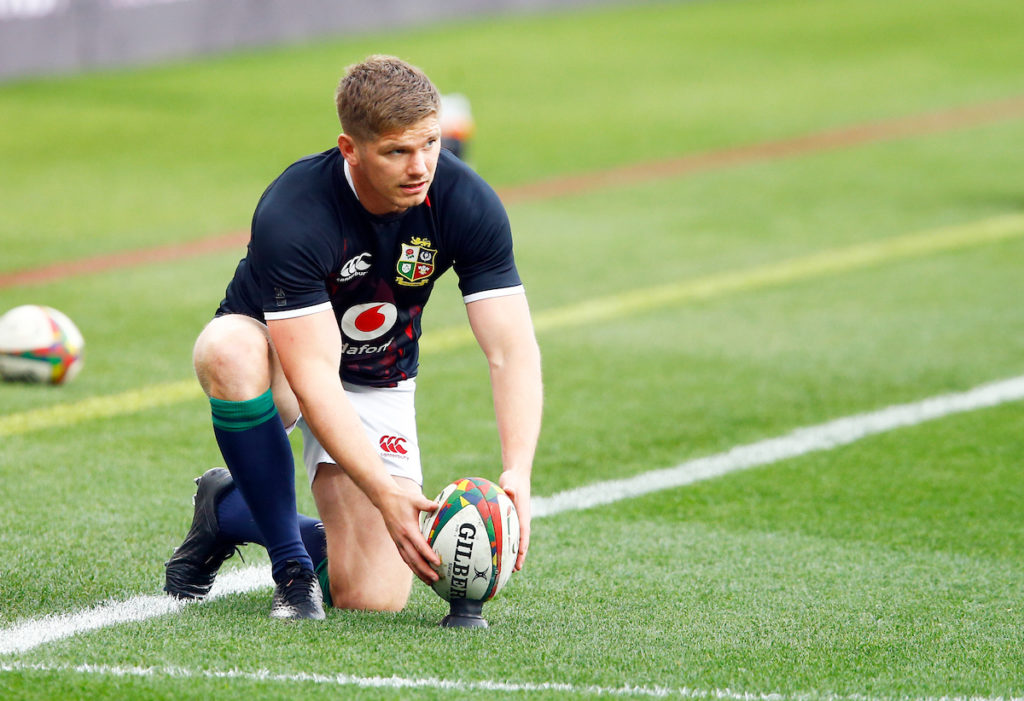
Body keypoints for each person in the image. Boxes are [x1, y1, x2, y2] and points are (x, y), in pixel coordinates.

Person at [162, 55, 542, 620]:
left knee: (372, 598)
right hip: (283, 361)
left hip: (376, 374)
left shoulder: (466, 201)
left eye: (431, 144)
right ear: (350, 149)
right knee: (227, 349)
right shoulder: (295, 211)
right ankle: (291, 568)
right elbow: (314, 376)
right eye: (397, 151)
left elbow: (511, 349)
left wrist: (518, 471)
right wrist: (386, 495)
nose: (421, 167)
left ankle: (230, 508)